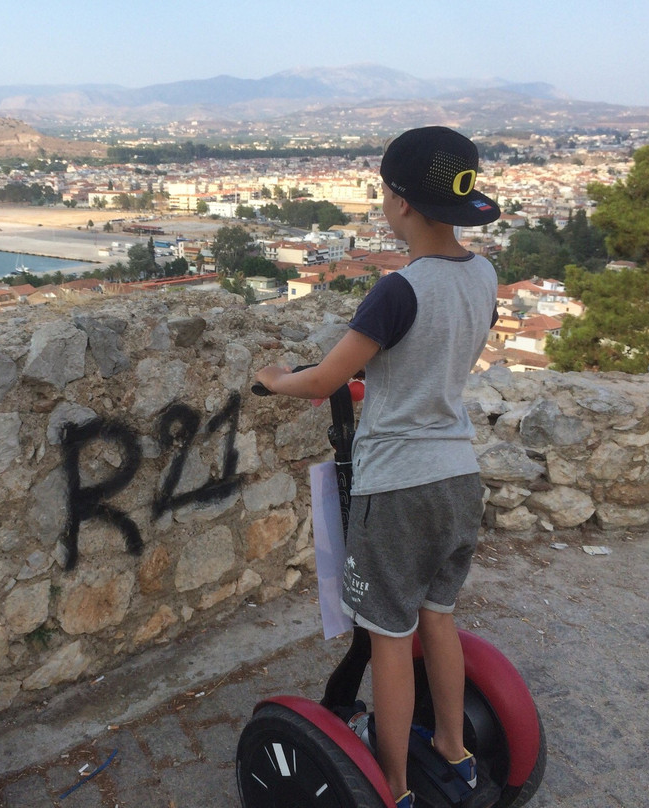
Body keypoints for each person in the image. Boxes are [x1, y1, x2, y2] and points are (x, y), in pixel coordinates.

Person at [253, 126, 500, 808]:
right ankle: (454, 751)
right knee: (438, 618)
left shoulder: (399, 291)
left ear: (399, 204)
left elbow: (323, 379)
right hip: (459, 476)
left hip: (399, 488)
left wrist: (274, 377)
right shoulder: (484, 274)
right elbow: (442, 359)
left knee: (391, 641)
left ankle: (391, 788)